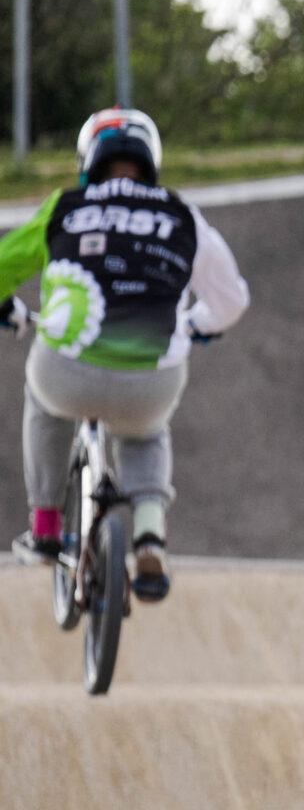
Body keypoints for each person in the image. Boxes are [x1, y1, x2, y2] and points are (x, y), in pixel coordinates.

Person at [0, 107, 248, 602]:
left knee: (45, 404)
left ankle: (47, 525)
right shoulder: (182, 216)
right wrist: (197, 327)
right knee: (145, 431)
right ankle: (150, 535)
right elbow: (231, 300)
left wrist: (9, 310)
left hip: (66, 369)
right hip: (150, 378)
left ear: (87, 159)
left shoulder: (64, 207)